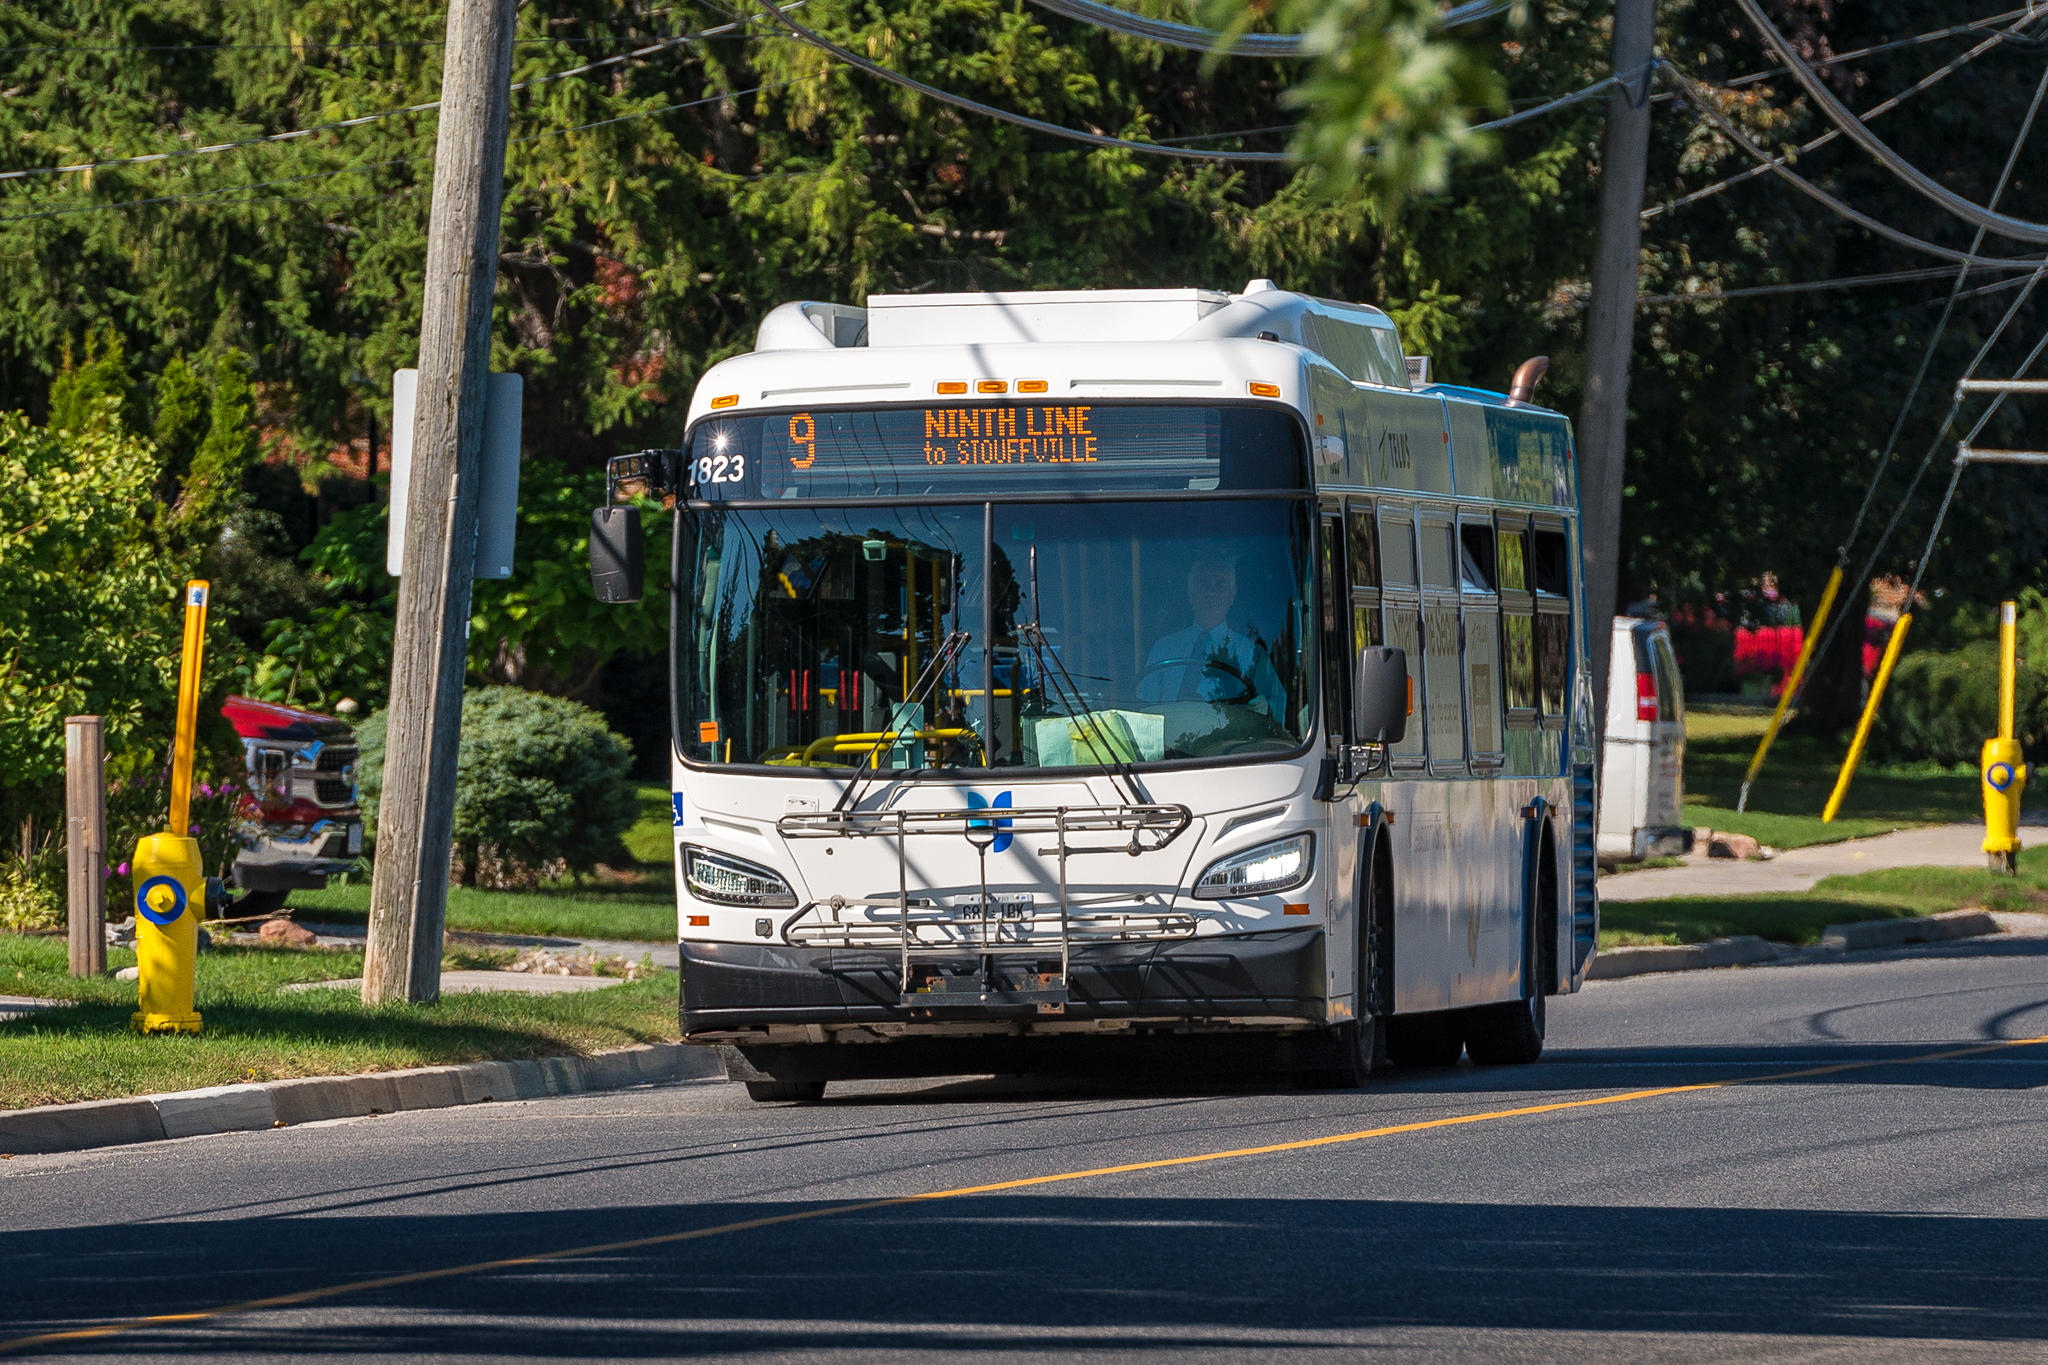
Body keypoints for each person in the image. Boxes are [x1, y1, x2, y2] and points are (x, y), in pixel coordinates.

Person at [1137, 559, 1286, 715]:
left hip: (1232, 738)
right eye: (1204, 585)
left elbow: (1278, 707)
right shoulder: (1164, 648)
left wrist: (1265, 708)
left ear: (1232, 595)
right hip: (1170, 738)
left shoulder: (1252, 654)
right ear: (1191, 594)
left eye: (1220, 585)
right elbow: (1144, 710)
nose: (1212, 593)